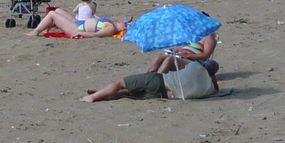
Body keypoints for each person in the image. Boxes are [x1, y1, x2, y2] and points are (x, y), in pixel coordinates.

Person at [82, 58, 218, 103]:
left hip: (160, 81)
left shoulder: (195, 66)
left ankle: (92, 97)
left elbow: (174, 60)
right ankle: (102, 94)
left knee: (119, 83)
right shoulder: (210, 88)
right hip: (166, 95)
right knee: (128, 93)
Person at [26, 0, 124, 38]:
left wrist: (80, 33)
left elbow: (95, 35)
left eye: (124, 23)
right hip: (78, 23)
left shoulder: (111, 29)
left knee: (52, 13)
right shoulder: (112, 24)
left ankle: (35, 32)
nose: (122, 22)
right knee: (58, 11)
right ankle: (46, 29)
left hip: (76, 29)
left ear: (123, 28)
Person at [146, 30, 219, 77]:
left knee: (170, 60)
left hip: (194, 63)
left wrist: (188, 55)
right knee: (159, 59)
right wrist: (174, 50)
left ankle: (155, 82)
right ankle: (145, 79)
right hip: (181, 58)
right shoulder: (191, 35)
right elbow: (180, 49)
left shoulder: (208, 37)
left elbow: (206, 55)